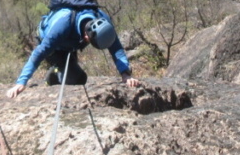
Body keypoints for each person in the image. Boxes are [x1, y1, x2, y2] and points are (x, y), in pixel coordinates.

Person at [7, 8, 140, 98]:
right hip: (54, 46)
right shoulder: (62, 26)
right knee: (71, 77)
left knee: (79, 79)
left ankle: (63, 67)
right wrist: (21, 82)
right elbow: (38, 53)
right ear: (87, 38)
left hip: (72, 42)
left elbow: (116, 48)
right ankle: (54, 73)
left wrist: (125, 74)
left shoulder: (103, 21)